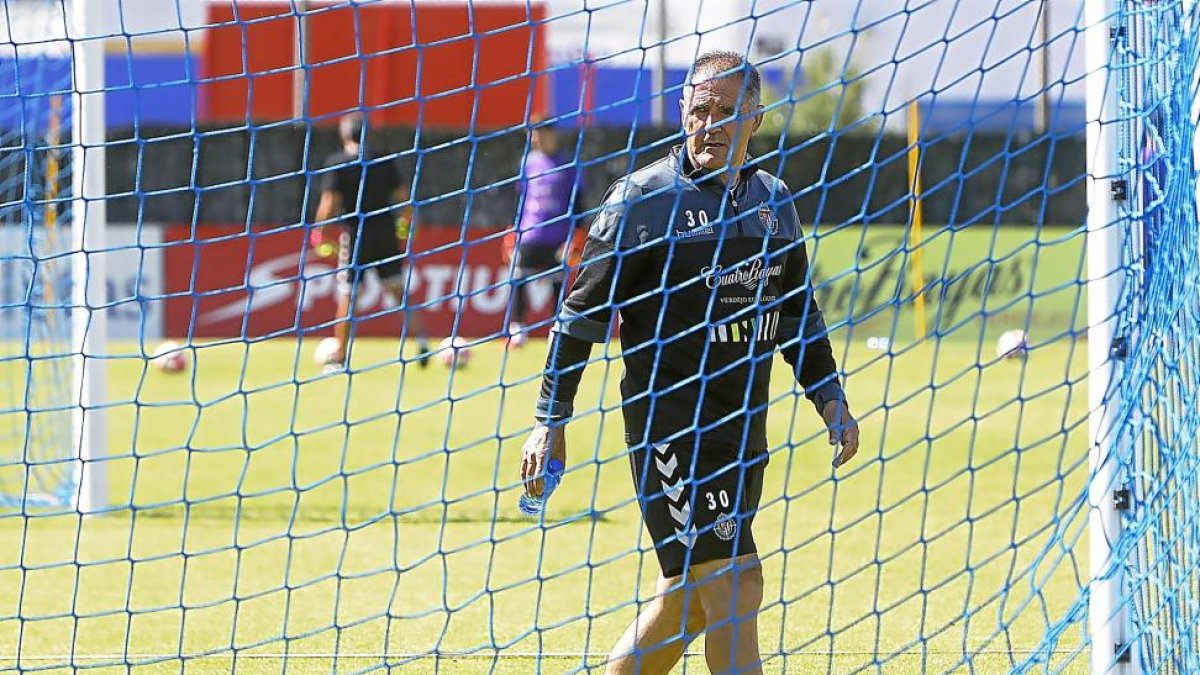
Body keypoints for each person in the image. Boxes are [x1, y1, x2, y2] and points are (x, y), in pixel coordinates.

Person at [518, 51, 861, 675]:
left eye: (726, 112)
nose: (709, 125)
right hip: (668, 429)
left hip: (741, 433)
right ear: (681, 111)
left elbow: (796, 316)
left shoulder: (772, 202)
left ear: (755, 118)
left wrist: (829, 396)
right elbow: (580, 317)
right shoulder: (641, 201)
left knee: (688, 604)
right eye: (698, 110)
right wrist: (551, 416)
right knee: (737, 586)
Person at [312, 112, 430, 371]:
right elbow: (402, 199)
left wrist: (319, 231)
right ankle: (422, 343)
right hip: (385, 233)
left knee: (349, 297)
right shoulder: (384, 161)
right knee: (399, 291)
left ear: (343, 135)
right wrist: (411, 223)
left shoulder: (337, 163)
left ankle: (341, 356)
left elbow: (329, 204)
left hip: (356, 235)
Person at [504, 122, 584, 348]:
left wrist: (575, 236)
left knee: (558, 285)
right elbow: (519, 199)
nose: (535, 141)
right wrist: (513, 232)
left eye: (538, 136)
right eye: (532, 137)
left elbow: (578, 201)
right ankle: (517, 330)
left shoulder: (569, 163)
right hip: (529, 235)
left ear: (552, 135)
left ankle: (557, 330)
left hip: (558, 237)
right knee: (518, 279)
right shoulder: (527, 163)